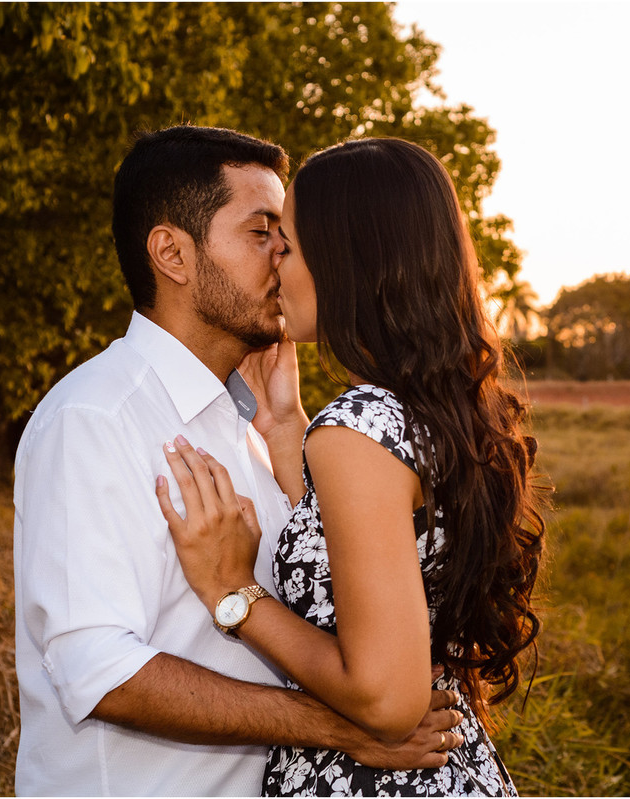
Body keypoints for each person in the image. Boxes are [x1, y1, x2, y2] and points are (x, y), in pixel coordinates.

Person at [12, 126, 463, 797]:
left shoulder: (253, 419)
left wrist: (284, 427)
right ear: (172, 253)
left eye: (285, 234)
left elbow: (323, 598)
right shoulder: (95, 418)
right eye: (262, 231)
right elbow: (98, 670)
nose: (284, 254)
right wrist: (335, 726)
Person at [154, 137, 547, 796]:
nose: (276, 262)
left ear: (347, 262)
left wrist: (236, 596)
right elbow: (368, 552)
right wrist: (285, 427)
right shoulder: (431, 411)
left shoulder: (357, 431)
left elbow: (387, 699)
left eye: (292, 243)